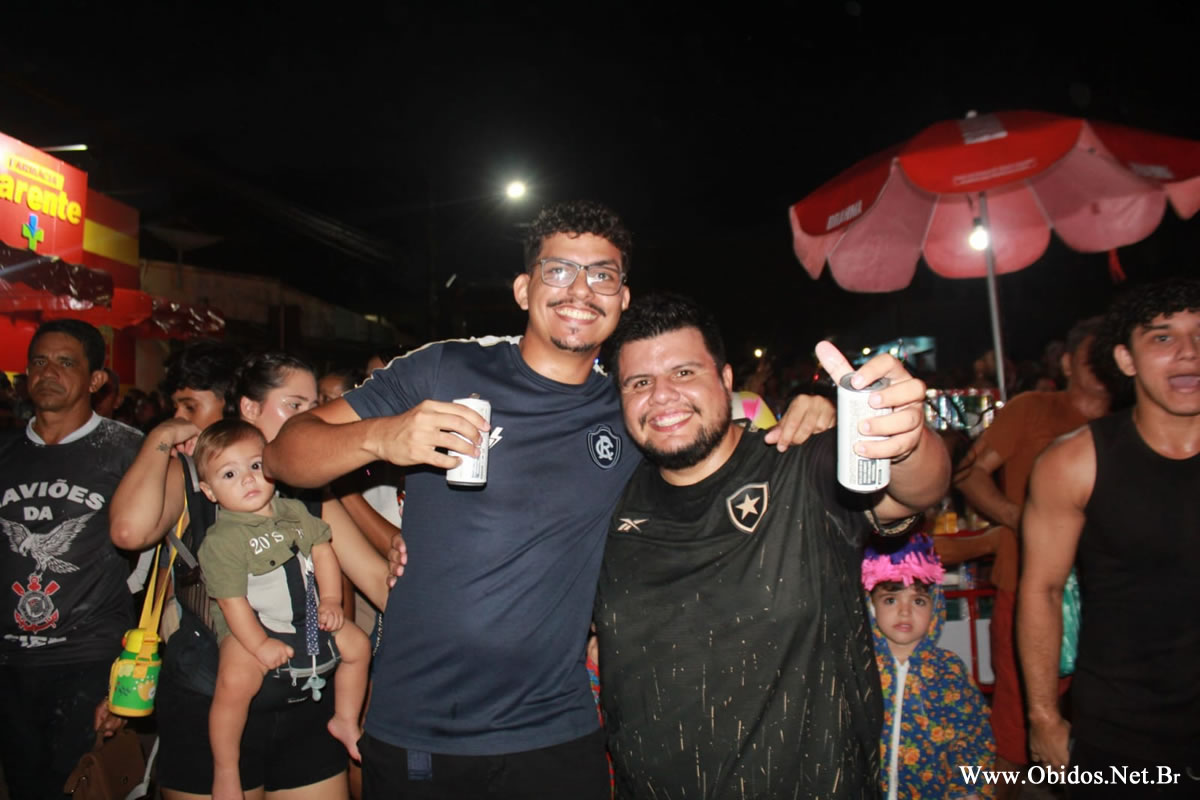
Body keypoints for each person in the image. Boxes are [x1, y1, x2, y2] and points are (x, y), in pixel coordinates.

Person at [266, 203, 836, 798]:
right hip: (421, 727)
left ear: (622, 299)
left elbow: (717, 450)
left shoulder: (631, 410)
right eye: (559, 270)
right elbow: (284, 453)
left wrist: (816, 418)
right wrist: (382, 436)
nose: (581, 290)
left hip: (556, 735)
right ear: (524, 288)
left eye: (602, 275)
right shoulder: (445, 368)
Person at [593, 293, 950, 799]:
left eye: (684, 372)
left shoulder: (798, 465)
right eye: (640, 383)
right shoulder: (606, 505)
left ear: (726, 380)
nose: (662, 396)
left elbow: (916, 490)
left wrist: (905, 440)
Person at [110, 350, 391, 800]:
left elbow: (377, 581)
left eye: (315, 405)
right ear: (249, 408)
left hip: (306, 703)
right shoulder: (194, 478)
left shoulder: (305, 491)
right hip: (211, 700)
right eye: (294, 405)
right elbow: (128, 532)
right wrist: (163, 435)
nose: (311, 418)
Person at [1019, 278, 1200, 796]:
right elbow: (1042, 590)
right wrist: (1043, 716)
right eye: (1162, 337)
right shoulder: (1074, 462)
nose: (1188, 352)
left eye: (1199, 335)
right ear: (1126, 359)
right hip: (1121, 734)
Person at [952, 317, 1109, 783]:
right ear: (1067, 363)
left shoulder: (1133, 419)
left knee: (1108, 720)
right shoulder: (1033, 409)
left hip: (1112, 594)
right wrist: (1018, 518)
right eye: (1093, 354)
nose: (1104, 363)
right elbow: (968, 473)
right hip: (1030, 587)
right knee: (1019, 724)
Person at [0, 319, 143, 799]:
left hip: (88, 658)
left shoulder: (128, 450)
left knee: (82, 787)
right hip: (9, 663)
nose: (48, 372)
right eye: (39, 361)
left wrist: (129, 671)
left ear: (95, 379)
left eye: (66, 362)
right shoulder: (4, 451)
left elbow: (157, 560)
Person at [194, 419, 370, 800]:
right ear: (208, 490)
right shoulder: (222, 540)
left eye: (255, 465)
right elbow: (231, 603)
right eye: (229, 474)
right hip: (251, 625)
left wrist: (331, 600)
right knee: (234, 681)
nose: (248, 479)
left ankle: (345, 719)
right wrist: (259, 645)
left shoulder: (294, 511)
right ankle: (226, 770)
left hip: (306, 616)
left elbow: (323, 552)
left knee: (358, 646)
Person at [863, 535, 994, 799]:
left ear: (936, 606)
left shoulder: (948, 670)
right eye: (891, 600)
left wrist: (971, 790)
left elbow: (974, 738)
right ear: (871, 606)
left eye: (918, 601)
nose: (905, 612)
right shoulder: (860, 666)